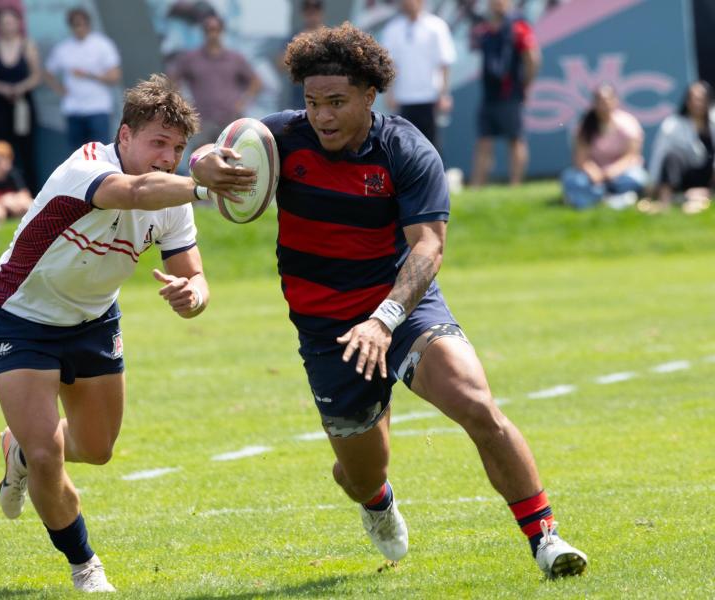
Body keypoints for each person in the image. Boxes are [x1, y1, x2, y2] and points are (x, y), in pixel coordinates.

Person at [193, 22, 587, 580]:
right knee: (359, 475)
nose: (322, 116)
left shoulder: (405, 149)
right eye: (311, 102)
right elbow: (223, 148)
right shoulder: (283, 138)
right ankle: (376, 500)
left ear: (368, 95)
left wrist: (386, 317)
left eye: (336, 102)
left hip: (402, 310)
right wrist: (203, 162)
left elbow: (428, 249)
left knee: (477, 404)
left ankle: (545, 538)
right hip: (327, 331)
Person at [0, 74, 253, 593]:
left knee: (97, 448)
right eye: (157, 142)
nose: (166, 156)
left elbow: (194, 275)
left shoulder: (172, 200)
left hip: (93, 320)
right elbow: (137, 191)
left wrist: (193, 295)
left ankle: (16, 447)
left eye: (177, 148)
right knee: (48, 456)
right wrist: (201, 184)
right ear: (124, 137)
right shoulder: (86, 168)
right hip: (20, 316)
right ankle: (85, 565)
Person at [168, 13, 262, 171]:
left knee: (232, 163)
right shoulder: (192, 58)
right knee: (201, 163)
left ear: (221, 31)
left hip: (230, 119)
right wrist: (182, 102)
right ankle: (199, 195)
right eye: (208, 29)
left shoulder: (234, 58)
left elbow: (256, 82)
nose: (212, 33)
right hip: (202, 121)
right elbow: (172, 79)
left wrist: (243, 102)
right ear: (203, 32)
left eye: (215, 29)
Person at [470, 0, 540, 186]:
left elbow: (532, 58)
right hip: (489, 95)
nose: (497, 4)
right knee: (483, 141)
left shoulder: (519, 27)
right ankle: (477, 186)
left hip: (511, 94)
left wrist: (526, 85)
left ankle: (515, 184)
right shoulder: (484, 28)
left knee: (515, 139)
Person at [0, 7, 42, 194]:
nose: (7, 26)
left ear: (18, 24)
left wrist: (19, 88)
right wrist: (4, 89)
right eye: (3, 22)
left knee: (27, 152)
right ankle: (3, 193)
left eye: (10, 22)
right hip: (1, 106)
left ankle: (30, 196)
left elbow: (36, 75)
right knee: (1, 151)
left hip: (23, 105)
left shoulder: (27, 45)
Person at [381, 0, 456, 150]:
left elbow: (445, 63)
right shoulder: (392, 29)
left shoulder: (437, 26)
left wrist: (444, 94)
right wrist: (389, 94)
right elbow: (389, 65)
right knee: (404, 147)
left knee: (431, 147)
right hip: (403, 100)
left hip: (430, 98)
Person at [44, 7, 122, 151]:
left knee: (100, 153)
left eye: (81, 24)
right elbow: (48, 72)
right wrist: (59, 89)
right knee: (77, 154)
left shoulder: (102, 44)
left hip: (98, 108)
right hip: (73, 108)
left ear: (88, 24)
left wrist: (89, 75)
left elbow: (115, 76)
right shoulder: (64, 48)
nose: (79, 28)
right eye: (75, 25)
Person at [561, 84, 649, 210]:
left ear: (615, 101)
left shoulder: (628, 123)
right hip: (592, 175)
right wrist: (594, 173)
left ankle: (597, 197)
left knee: (638, 179)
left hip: (621, 173)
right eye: (600, 102)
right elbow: (581, 159)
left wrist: (612, 171)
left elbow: (632, 155)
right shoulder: (584, 126)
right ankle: (606, 198)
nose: (604, 105)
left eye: (607, 101)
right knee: (572, 180)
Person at [641, 80, 714, 214]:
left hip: (710, 176)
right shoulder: (672, 125)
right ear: (687, 101)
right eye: (694, 99)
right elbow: (659, 155)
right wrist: (651, 185)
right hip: (685, 176)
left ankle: (705, 195)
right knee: (671, 157)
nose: (697, 103)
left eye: (701, 99)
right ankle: (665, 202)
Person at [276, 0, 326, 110]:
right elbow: (280, 63)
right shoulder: (294, 37)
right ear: (303, 12)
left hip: (325, 98)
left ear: (321, 12)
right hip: (299, 100)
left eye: (316, 8)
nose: (312, 13)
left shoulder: (330, 37)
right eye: (308, 9)